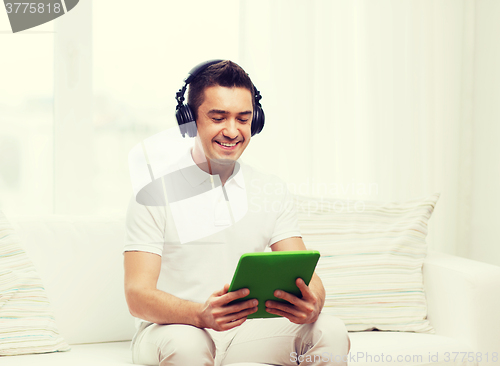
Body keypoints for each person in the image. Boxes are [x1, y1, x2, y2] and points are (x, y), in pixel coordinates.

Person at [123, 60, 350, 366]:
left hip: (244, 334)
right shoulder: (152, 194)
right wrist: (200, 314)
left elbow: (306, 272)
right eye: (218, 118)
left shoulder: (270, 188)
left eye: (243, 119)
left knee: (330, 331)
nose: (232, 131)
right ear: (189, 121)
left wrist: (314, 302)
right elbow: (137, 295)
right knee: (188, 345)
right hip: (172, 330)